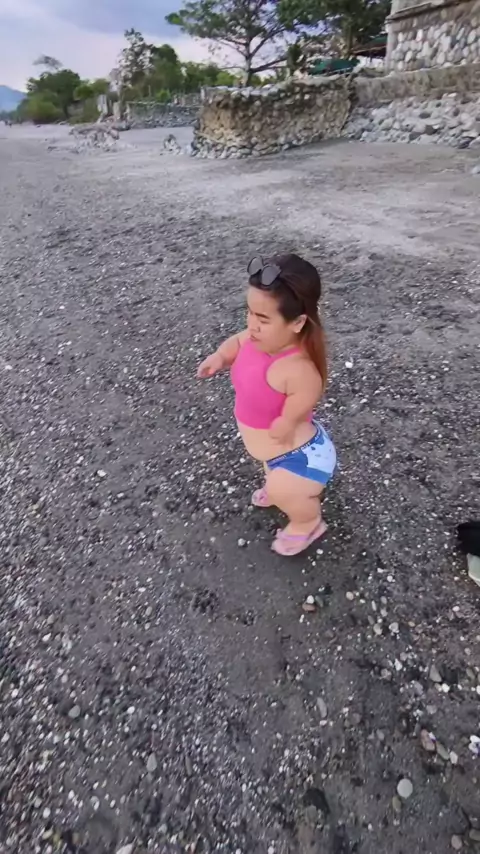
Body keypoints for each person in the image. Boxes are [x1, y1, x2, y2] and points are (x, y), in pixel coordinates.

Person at [197, 253, 336, 557]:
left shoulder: (296, 367)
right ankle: (284, 488)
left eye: (263, 320)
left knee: (283, 489)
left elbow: (308, 393)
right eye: (249, 313)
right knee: (277, 482)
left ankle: (308, 521)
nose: (252, 325)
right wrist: (220, 357)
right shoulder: (252, 339)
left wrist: (289, 418)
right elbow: (235, 343)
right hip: (274, 454)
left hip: (301, 456)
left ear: (297, 322)